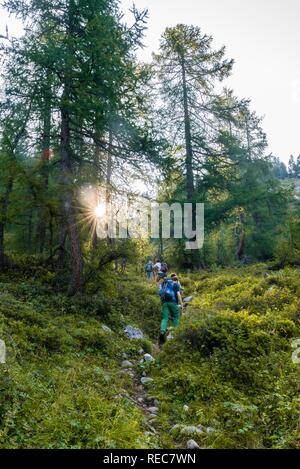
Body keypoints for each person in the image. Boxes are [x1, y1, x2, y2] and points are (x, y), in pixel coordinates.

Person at [159, 274, 184, 345]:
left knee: (165, 318)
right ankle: (176, 331)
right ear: (176, 280)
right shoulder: (176, 285)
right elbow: (178, 295)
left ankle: (162, 331)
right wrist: (181, 305)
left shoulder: (165, 284)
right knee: (176, 317)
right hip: (173, 303)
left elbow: (160, 293)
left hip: (164, 303)